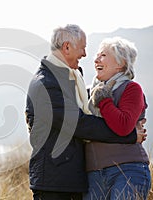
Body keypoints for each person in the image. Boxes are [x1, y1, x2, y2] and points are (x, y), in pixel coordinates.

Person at [25, 24, 146, 200]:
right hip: (55, 182)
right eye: (82, 48)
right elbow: (79, 124)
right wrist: (129, 136)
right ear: (67, 47)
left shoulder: (73, 79)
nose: (85, 55)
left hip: (74, 178)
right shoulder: (46, 84)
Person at [84, 37, 151, 200]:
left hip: (127, 170)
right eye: (97, 55)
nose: (96, 59)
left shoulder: (131, 88)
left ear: (120, 63)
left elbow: (123, 126)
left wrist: (104, 100)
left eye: (103, 55)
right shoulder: (89, 93)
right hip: (93, 174)